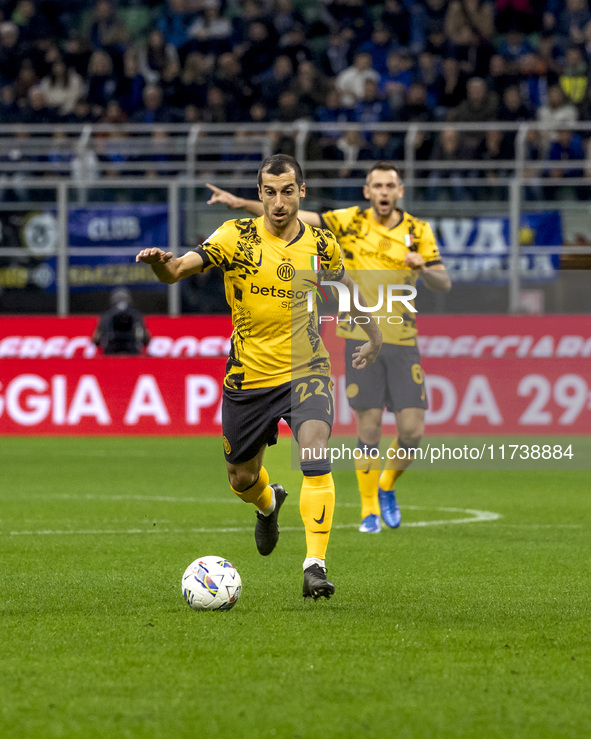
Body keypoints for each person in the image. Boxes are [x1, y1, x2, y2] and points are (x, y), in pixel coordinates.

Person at [136, 155, 382, 599]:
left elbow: (348, 290)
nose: (279, 201)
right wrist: (159, 263)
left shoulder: (322, 244)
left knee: (314, 451)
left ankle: (315, 567)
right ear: (260, 193)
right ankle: (269, 506)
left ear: (301, 192)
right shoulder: (235, 237)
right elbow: (175, 272)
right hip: (249, 377)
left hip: (307, 369)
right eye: (270, 192)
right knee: (240, 478)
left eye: (288, 191)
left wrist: (375, 337)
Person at [206, 162, 451, 534]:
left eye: (390, 185)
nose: (384, 192)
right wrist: (241, 203)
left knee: (412, 431)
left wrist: (424, 267)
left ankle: (385, 486)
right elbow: (290, 212)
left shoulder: (418, 231)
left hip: (402, 338)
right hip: (358, 334)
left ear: (400, 191)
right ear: (367, 191)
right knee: (368, 426)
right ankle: (369, 510)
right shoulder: (348, 222)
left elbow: (442, 282)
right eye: (377, 185)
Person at [92, 288, 151, 355]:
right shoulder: (136, 316)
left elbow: (96, 340)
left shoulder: (106, 316)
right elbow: (146, 339)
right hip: (132, 354)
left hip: (111, 354)